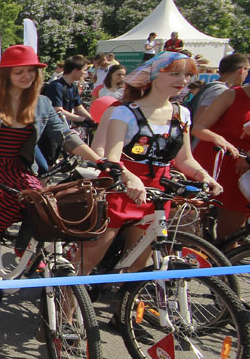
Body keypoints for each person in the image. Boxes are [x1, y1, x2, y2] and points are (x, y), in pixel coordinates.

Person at [0, 45, 104, 250]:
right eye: (19, 72)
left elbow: (66, 136)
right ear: (6, 74)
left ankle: (23, 254)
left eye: (31, 71)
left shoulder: (42, 103)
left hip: (17, 168)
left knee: (40, 204)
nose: (26, 76)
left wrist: (99, 161)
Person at [83, 52, 219, 274]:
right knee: (87, 260)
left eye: (187, 75)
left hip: (157, 193)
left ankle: (127, 305)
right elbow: (112, 158)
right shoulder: (123, 112)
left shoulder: (182, 113)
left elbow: (184, 159)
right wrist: (129, 177)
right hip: (119, 190)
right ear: (154, 75)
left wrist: (204, 176)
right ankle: (66, 305)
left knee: (137, 263)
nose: (182, 80)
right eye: (174, 74)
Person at [190, 55, 250, 242]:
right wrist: (221, 140)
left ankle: (224, 269)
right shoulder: (232, 94)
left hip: (242, 170)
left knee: (230, 235)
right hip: (214, 162)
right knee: (191, 223)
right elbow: (199, 128)